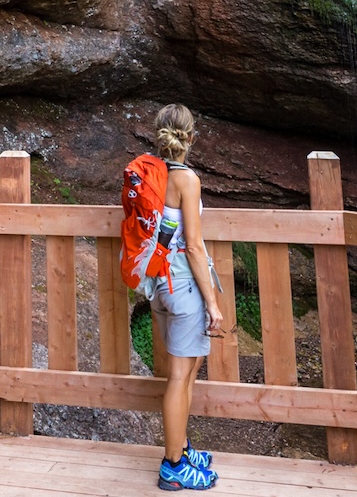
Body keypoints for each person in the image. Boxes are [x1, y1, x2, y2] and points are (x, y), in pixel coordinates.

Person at [144, 104, 225, 491]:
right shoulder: (186, 179)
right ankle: (172, 465)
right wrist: (212, 302)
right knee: (180, 376)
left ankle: (181, 446)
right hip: (183, 285)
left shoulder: (150, 172)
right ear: (190, 137)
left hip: (158, 283)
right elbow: (193, 246)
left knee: (188, 371)